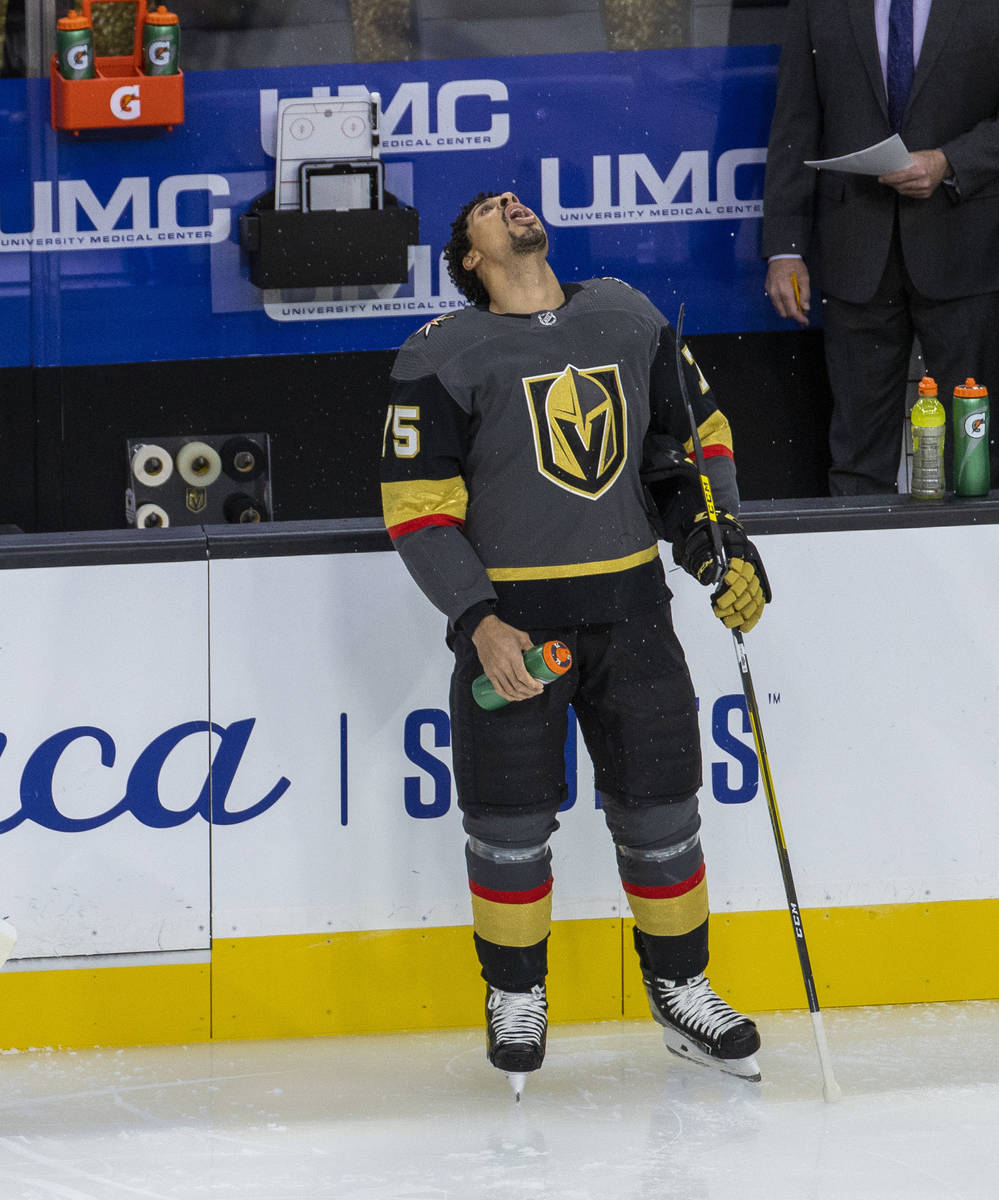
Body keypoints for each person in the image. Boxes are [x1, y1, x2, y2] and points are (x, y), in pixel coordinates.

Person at [380, 190, 771, 1093]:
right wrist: (478, 621)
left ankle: (682, 990)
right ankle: (515, 996)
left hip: (633, 609)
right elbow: (418, 512)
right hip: (514, 624)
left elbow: (692, 442)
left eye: (513, 198)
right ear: (468, 258)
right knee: (509, 822)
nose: (510, 204)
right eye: (484, 208)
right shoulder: (442, 353)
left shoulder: (625, 315)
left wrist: (719, 540)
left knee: (661, 811)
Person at [762, 0, 999, 495]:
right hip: (855, 255)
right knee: (857, 458)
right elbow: (795, 123)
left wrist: (950, 161)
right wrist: (785, 248)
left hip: (968, 254)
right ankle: (859, 569)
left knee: (978, 456)